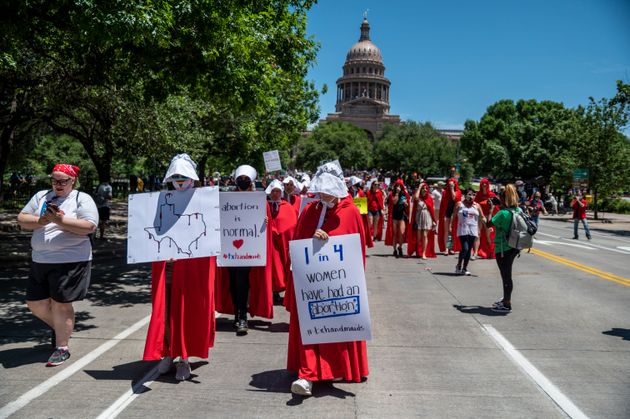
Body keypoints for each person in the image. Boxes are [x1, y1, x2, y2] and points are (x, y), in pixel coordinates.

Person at [285, 161, 369, 396]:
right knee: (309, 324)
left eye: (328, 190)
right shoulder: (309, 211)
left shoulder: (350, 212)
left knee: (336, 324)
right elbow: (299, 243)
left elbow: (353, 249)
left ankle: (337, 368)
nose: (323, 194)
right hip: (311, 282)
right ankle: (307, 374)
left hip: (336, 283)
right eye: (321, 189)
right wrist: (313, 241)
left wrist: (328, 240)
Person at [143, 154, 216, 381]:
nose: (180, 180)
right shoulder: (160, 200)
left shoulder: (206, 201)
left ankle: (184, 357)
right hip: (168, 266)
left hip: (195, 269)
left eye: (184, 176)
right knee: (166, 312)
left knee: (189, 311)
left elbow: (210, 234)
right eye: (176, 176)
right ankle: (168, 352)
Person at [17, 164, 98, 366]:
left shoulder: (81, 198)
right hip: (41, 259)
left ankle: (62, 347)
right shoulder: (40, 196)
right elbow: (22, 219)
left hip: (71, 260)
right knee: (35, 303)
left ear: (73, 181)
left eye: (63, 181)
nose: (58, 185)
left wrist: (60, 220)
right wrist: (42, 220)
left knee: (61, 304)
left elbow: (89, 226)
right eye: (55, 180)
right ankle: (63, 328)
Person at [215, 165, 273, 335]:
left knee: (242, 280)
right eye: (240, 179)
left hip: (250, 249)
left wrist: (265, 222)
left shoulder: (259, 200)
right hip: (230, 247)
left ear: (251, 182)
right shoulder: (226, 199)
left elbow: (266, 225)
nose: (242, 182)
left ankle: (242, 315)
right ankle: (238, 313)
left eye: (246, 180)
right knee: (234, 281)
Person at [485, 184, 521, 313]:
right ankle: (506, 299)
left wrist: (491, 209)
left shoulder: (502, 213)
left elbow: (488, 223)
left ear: (503, 198)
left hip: (502, 248)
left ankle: (506, 304)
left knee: (506, 276)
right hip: (515, 246)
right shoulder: (518, 210)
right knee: (508, 275)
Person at [266, 179, 297, 304]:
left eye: (278, 191)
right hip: (271, 243)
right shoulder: (264, 205)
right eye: (273, 191)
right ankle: (273, 291)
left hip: (284, 242)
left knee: (285, 265)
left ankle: (286, 292)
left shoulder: (287, 207)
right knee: (274, 266)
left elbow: (292, 223)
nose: (275, 194)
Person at [453, 189, 486, 275]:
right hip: (462, 229)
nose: (472, 196)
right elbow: (454, 216)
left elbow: (482, 217)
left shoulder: (477, 205)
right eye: (469, 194)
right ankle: (459, 265)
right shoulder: (459, 204)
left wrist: (487, 224)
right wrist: (450, 227)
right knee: (465, 248)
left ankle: (464, 268)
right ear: (465, 195)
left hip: (473, 230)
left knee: (469, 250)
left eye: (474, 194)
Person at [409, 182, 437, 259]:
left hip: (427, 217)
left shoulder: (429, 198)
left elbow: (432, 210)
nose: (424, 190)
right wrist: (420, 186)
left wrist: (434, 220)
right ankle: (418, 251)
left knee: (425, 235)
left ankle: (424, 253)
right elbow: (416, 198)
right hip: (419, 217)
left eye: (426, 189)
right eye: (423, 189)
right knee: (418, 237)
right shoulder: (418, 198)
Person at [474, 178, 498, 259]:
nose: (484, 185)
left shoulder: (491, 194)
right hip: (480, 216)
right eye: (483, 184)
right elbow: (475, 204)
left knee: (488, 236)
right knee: (478, 234)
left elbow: (496, 206)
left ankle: (491, 252)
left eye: (485, 184)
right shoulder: (478, 194)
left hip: (489, 216)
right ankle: (476, 252)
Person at [385, 179, 409, 257]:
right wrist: (397, 194)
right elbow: (394, 202)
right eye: (397, 186)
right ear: (395, 187)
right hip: (394, 215)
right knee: (395, 233)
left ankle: (400, 247)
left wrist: (406, 204)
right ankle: (395, 249)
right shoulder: (392, 194)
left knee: (402, 232)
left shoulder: (404, 194)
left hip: (402, 214)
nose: (398, 188)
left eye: (400, 186)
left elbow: (407, 204)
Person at [438, 178, 462, 255]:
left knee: (452, 231)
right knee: (446, 231)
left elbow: (455, 198)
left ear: (455, 184)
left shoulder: (458, 192)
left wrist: (452, 189)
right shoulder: (445, 192)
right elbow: (442, 205)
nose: (451, 185)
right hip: (446, 213)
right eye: (449, 184)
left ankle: (452, 247)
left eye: (452, 184)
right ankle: (446, 248)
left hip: (454, 213)